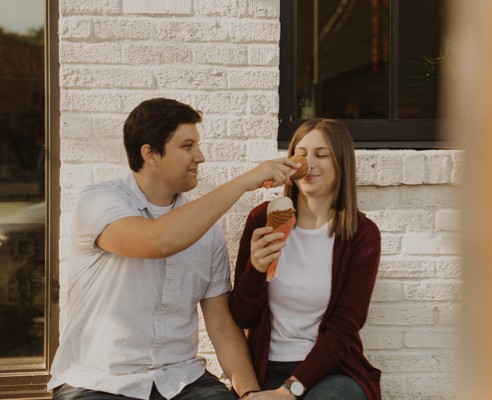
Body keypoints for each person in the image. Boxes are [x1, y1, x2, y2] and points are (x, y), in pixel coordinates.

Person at [49, 98, 299, 399]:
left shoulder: (207, 232)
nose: (200, 156)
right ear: (150, 153)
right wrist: (243, 183)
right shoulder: (100, 201)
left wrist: (248, 393)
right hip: (98, 381)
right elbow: (157, 241)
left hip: (181, 381)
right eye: (187, 146)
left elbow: (220, 323)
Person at [229, 119, 381, 400]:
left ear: (341, 163)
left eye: (321, 155)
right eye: (300, 154)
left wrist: (290, 390)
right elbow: (242, 315)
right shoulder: (264, 219)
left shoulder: (361, 234)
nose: (308, 163)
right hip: (266, 369)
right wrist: (257, 269)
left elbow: (345, 326)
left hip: (331, 372)